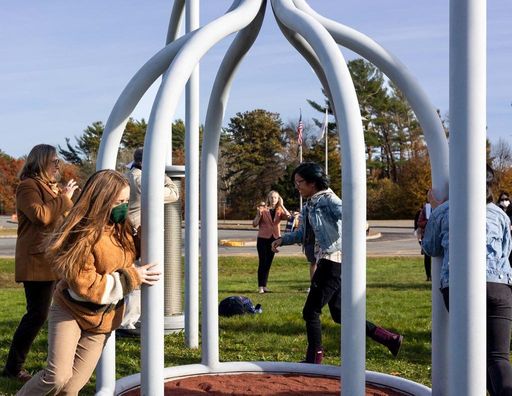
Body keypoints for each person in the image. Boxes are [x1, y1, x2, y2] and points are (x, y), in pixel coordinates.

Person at [16, 169, 161, 395]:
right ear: (101, 201)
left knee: (71, 388)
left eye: (126, 200)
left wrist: (149, 225)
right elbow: (86, 286)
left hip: (103, 320)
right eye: (118, 202)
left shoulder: (122, 229)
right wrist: (132, 277)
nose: (123, 207)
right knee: (57, 377)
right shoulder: (81, 234)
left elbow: (139, 248)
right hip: (71, 310)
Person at [271, 162, 403, 364]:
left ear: (312, 182)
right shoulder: (309, 205)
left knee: (310, 311)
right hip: (328, 261)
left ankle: (314, 358)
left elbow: (353, 215)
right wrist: (283, 239)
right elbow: (303, 234)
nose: (296, 186)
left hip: (333, 261)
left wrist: (363, 225)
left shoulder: (329, 200)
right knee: (340, 314)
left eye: (299, 182)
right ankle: (389, 338)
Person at [422, 165, 512, 395]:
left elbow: (430, 247)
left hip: (459, 287)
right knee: (497, 357)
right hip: (498, 286)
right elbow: (505, 250)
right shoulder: (500, 214)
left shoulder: (444, 211)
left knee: (472, 354)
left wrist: (437, 210)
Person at [2, 144, 78, 383]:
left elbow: (61, 218)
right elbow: (41, 216)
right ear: (42, 161)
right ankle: (13, 368)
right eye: (54, 161)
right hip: (37, 262)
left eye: (59, 162)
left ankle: (65, 361)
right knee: (37, 315)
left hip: (55, 260)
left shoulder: (51, 188)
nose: (58, 166)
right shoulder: (27, 187)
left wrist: (65, 199)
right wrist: (64, 199)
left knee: (66, 310)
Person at [117, 147, 179, 336]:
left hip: (130, 232)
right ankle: (127, 323)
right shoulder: (142, 179)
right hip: (140, 233)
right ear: (145, 163)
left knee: (135, 277)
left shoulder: (128, 176)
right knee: (138, 278)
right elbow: (174, 193)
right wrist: (163, 175)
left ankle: (129, 320)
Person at [252, 191, 290, 294]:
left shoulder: (279, 210)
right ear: (268, 198)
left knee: (268, 263)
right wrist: (258, 215)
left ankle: (265, 286)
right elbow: (254, 224)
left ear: (278, 199)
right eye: (272, 197)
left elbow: (289, 217)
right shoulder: (262, 210)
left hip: (274, 239)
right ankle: (260, 286)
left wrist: (282, 205)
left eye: (276, 198)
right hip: (263, 239)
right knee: (262, 262)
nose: (273, 199)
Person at [416, 193, 432, 281]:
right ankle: (428, 275)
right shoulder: (426, 208)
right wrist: (428, 223)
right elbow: (419, 222)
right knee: (427, 257)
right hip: (427, 236)